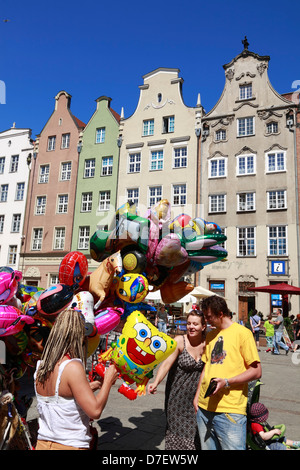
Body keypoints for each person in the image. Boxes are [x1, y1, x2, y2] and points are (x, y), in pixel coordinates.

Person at [34, 308, 118, 450]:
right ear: (78, 336)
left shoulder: (41, 367)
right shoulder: (72, 366)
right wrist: (108, 381)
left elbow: (61, 396)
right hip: (70, 445)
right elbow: (95, 411)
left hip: (43, 443)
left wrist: (93, 385)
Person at [193, 295, 262, 450]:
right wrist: (197, 397)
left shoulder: (242, 333)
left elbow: (256, 371)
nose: (206, 320)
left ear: (221, 314)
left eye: (209, 317)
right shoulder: (211, 335)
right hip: (204, 409)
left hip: (230, 410)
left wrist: (227, 381)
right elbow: (207, 367)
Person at [148, 310, 206, 450]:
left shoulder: (207, 343)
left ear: (203, 326)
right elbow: (166, 364)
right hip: (177, 399)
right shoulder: (180, 341)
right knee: (177, 436)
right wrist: (156, 382)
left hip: (198, 398)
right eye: (189, 323)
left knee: (196, 437)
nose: (191, 327)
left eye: (195, 324)